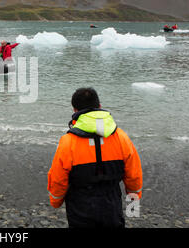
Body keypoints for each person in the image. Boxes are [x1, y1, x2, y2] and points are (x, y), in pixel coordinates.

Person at [48, 88, 142, 228]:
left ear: (75, 110)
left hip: (80, 205)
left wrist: (56, 201)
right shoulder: (121, 137)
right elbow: (134, 175)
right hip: (111, 204)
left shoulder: (68, 142)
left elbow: (58, 178)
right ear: (99, 106)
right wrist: (133, 196)